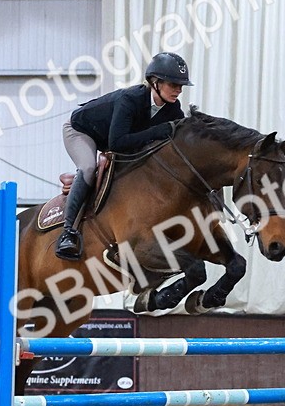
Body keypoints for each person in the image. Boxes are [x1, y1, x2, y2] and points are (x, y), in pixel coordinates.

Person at [55, 51, 192, 260]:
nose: (179, 90)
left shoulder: (173, 108)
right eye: (174, 84)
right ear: (155, 82)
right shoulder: (131, 99)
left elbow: (180, 135)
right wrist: (158, 131)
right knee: (88, 168)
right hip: (82, 130)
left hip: (111, 137)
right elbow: (117, 144)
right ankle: (67, 233)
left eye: (181, 86)